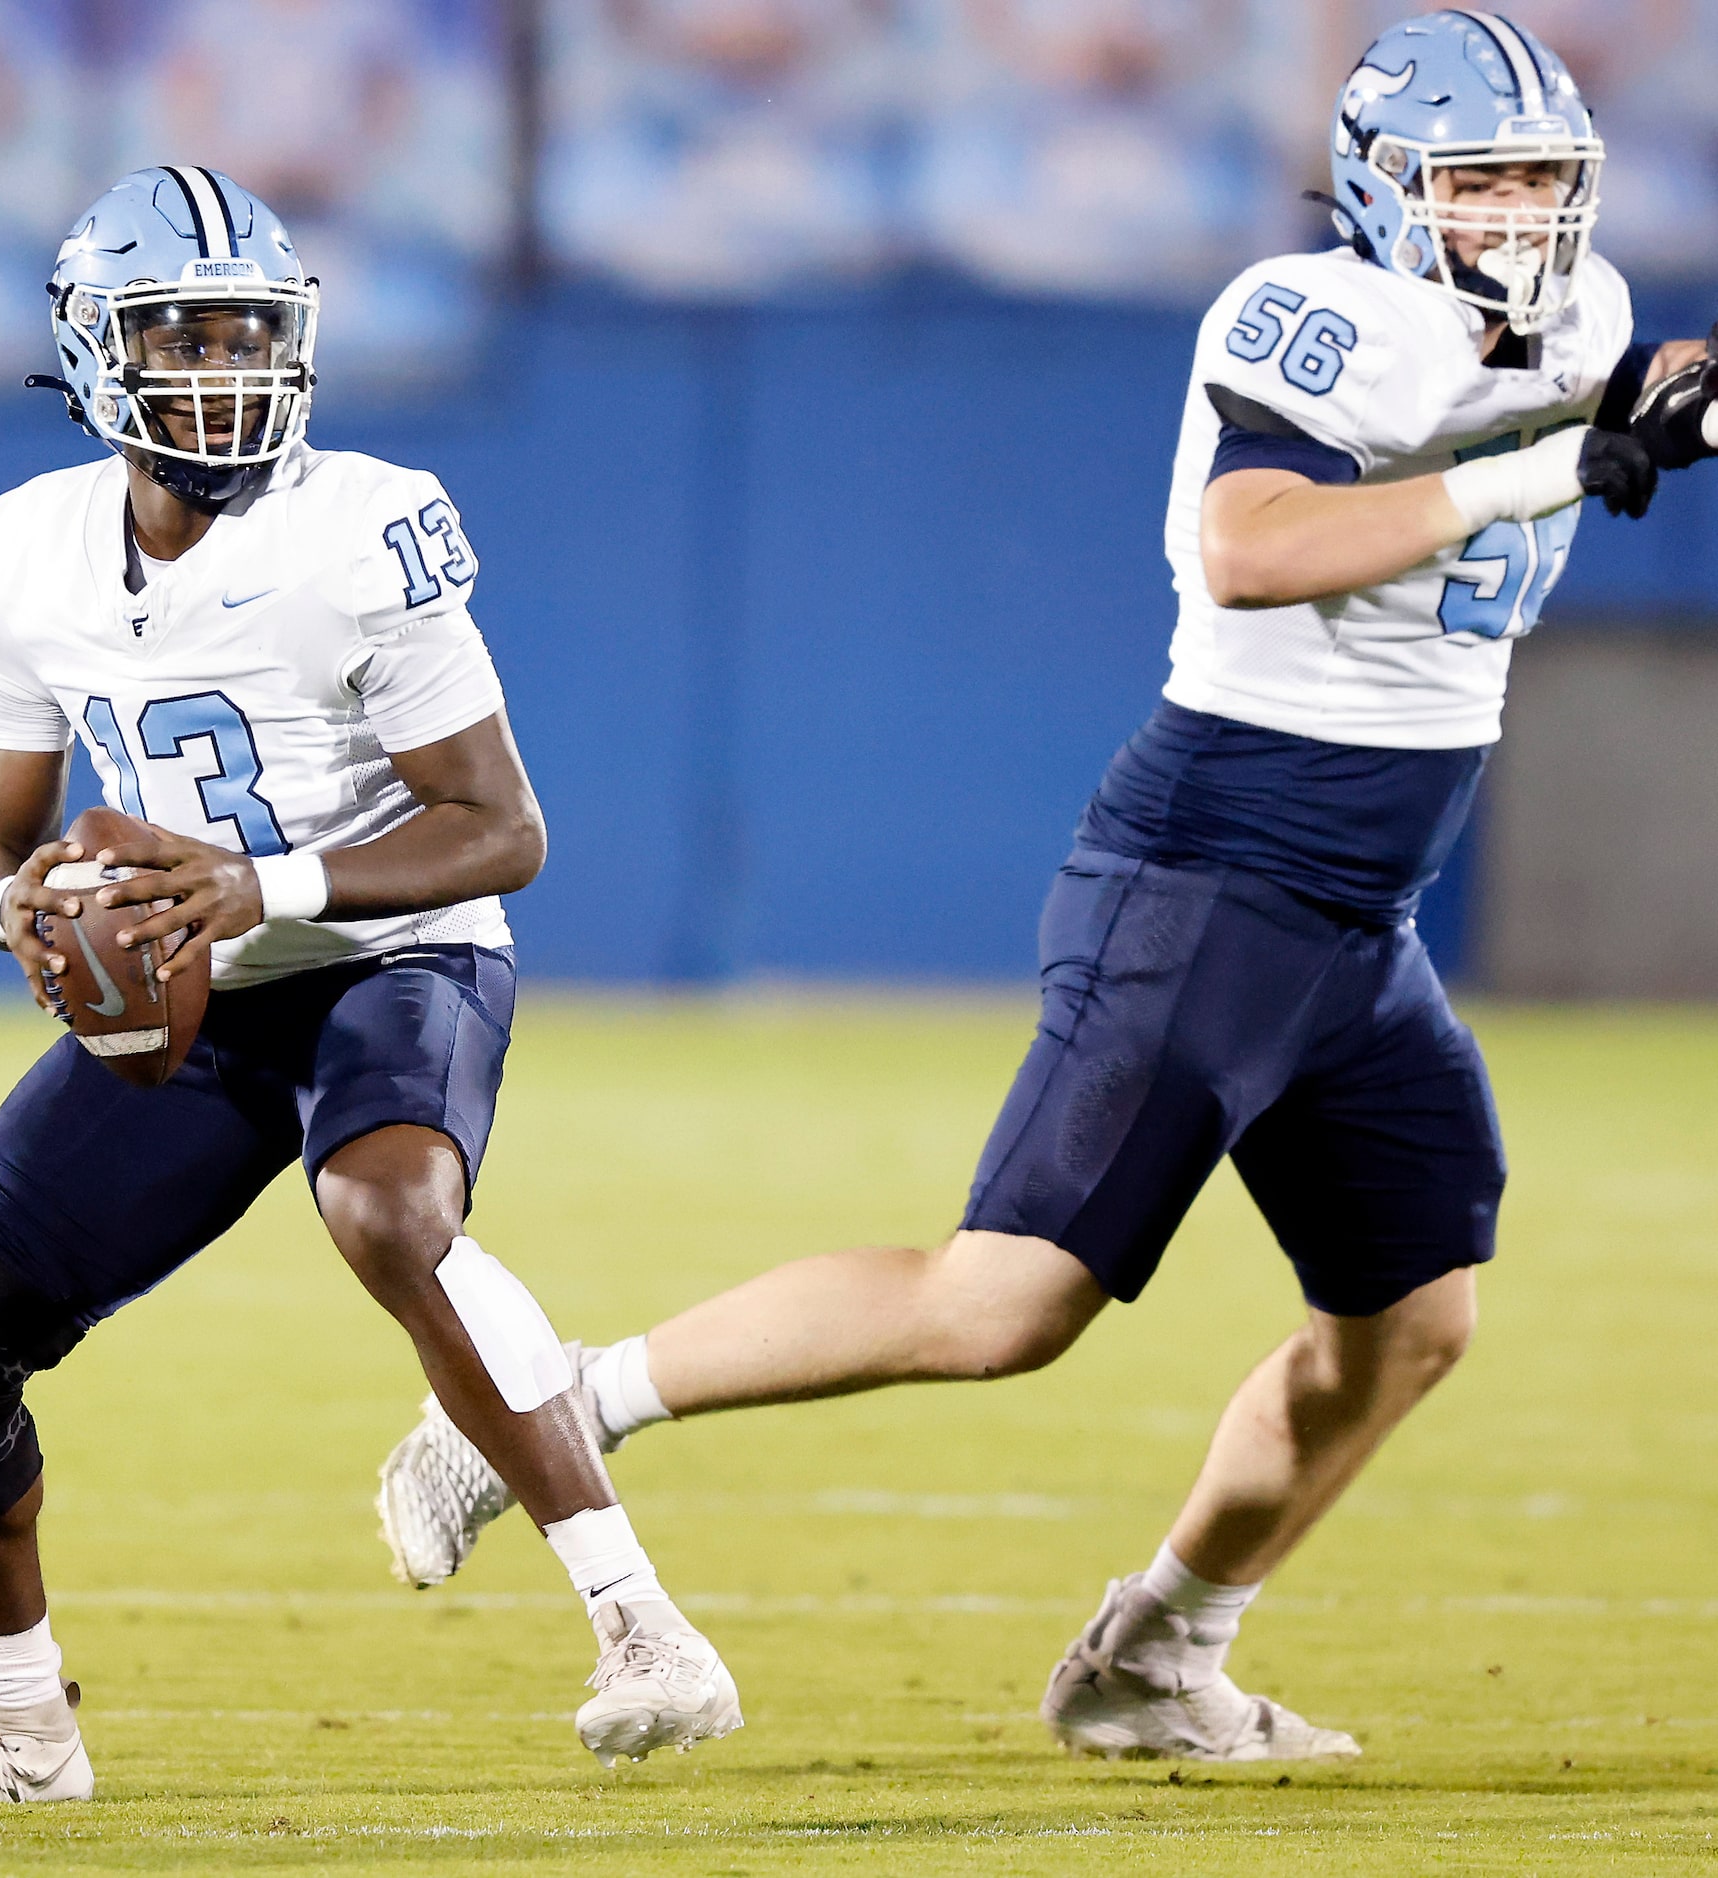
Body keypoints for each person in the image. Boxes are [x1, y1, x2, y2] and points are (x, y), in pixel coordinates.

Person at [378, 10, 1718, 1762]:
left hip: (1353, 917)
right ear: (1391, 190)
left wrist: (1654, 389)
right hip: (1217, 865)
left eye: (1550, 177)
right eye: (1484, 180)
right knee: (1000, 1305)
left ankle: (1155, 1655)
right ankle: (536, 1407)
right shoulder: (1311, 310)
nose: (1526, 215)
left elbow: (1582, 382)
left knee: (1404, 1322)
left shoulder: (1582, 305)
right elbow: (1253, 547)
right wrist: (1554, 462)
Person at [0, 165, 740, 1805]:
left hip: (391, 949)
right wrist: (22, 920)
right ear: (94, 356)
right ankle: (21, 1728)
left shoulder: (360, 527)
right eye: (179, 338)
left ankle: (639, 1623)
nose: (223, 372)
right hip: (203, 983)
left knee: (388, 1214)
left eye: (250, 333)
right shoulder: (18, 554)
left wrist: (269, 881)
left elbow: (502, 829)